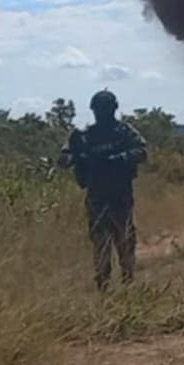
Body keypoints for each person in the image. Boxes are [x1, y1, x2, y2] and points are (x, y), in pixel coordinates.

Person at [58, 89, 148, 290]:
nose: (102, 113)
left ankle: (128, 282)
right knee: (101, 242)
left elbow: (141, 152)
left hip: (120, 195)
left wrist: (117, 159)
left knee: (124, 240)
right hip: (97, 196)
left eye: (105, 109)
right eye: (99, 109)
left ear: (114, 109)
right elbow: (63, 158)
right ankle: (103, 285)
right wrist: (78, 158)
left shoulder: (124, 132)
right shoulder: (83, 137)